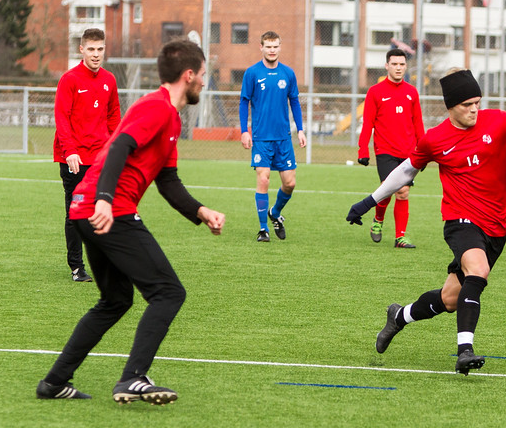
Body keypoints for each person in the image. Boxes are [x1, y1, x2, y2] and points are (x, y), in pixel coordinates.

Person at [36, 39, 225, 404]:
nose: (205, 81)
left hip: (86, 209)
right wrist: (105, 200)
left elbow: (167, 181)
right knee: (169, 293)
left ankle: (54, 382)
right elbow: (120, 145)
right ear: (188, 76)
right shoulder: (157, 109)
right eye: (203, 75)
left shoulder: (168, 116)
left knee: (116, 300)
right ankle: (132, 379)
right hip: (108, 209)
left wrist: (201, 212)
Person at [346, 69, 506, 374]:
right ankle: (464, 351)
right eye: (467, 104)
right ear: (451, 107)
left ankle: (399, 316)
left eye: (477, 103)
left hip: (497, 224)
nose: (473, 109)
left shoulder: (498, 121)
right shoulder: (436, 139)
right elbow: (405, 172)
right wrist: (369, 201)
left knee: (451, 299)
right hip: (460, 220)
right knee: (478, 271)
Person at [53, 28, 121, 282]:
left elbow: (114, 116)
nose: (96, 54)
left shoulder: (109, 80)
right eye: (91, 49)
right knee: (75, 212)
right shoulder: (69, 79)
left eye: (100, 49)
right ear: (81, 50)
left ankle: (104, 262)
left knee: (103, 209)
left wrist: (118, 148)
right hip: (73, 159)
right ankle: (76, 267)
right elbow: (62, 117)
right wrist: (69, 151)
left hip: (101, 158)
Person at [239, 31, 307, 243]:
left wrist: (301, 129)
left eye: (275, 46)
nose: (272, 50)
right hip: (261, 138)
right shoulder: (252, 73)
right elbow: (244, 102)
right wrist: (244, 131)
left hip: (283, 138)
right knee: (264, 178)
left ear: (280, 47)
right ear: (261, 48)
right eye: (268, 46)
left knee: (290, 183)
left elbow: (294, 101)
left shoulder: (288, 73)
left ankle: (275, 212)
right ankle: (263, 229)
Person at [357, 48, 425, 248]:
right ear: (387, 66)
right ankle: (378, 220)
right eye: (394, 64)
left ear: (406, 66)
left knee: (403, 192)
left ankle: (400, 237)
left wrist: (424, 152)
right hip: (385, 150)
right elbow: (367, 123)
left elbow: (418, 124)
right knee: (391, 188)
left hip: (409, 153)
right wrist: (363, 150)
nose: (398, 68)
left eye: (402, 64)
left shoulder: (412, 92)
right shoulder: (375, 92)